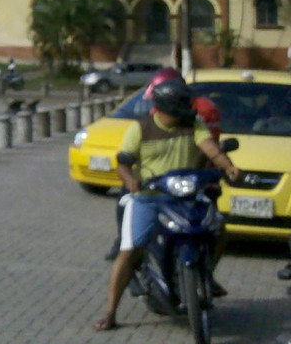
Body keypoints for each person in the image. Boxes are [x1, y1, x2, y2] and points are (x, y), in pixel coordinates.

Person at [93, 78, 239, 331]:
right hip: (149, 197)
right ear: (166, 106)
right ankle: (110, 311)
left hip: (187, 196)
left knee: (218, 228)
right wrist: (130, 181)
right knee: (130, 249)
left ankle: (207, 274)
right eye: (182, 103)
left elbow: (210, 148)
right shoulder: (141, 128)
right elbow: (123, 163)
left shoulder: (194, 124)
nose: (188, 107)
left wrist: (228, 166)